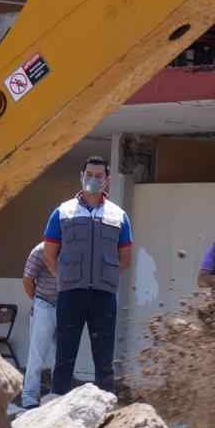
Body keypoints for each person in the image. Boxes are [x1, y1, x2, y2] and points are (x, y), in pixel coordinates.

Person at [43, 156, 133, 397]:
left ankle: (105, 409)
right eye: (89, 175)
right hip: (70, 294)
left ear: (107, 180)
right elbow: (49, 253)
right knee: (64, 356)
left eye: (99, 176)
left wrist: (107, 276)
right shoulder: (62, 212)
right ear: (81, 177)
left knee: (104, 360)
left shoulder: (119, 215)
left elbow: (125, 258)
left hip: (103, 297)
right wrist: (63, 278)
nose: (94, 180)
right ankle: (55, 404)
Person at [20, 242, 58, 408]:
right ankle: (29, 398)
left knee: (62, 355)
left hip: (67, 305)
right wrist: (38, 302)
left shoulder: (74, 249)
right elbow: (28, 280)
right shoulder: (39, 251)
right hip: (44, 304)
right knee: (37, 354)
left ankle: (57, 396)